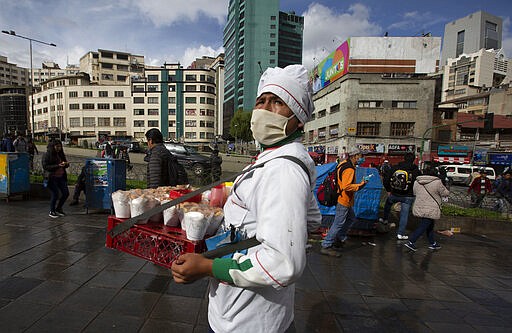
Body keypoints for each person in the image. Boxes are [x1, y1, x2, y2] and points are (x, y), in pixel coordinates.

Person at [171, 65, 321, 333]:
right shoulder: (273, 158)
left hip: (249, 321)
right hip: (239, 310)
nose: (265, 109)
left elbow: (283, 262)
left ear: (298, 118)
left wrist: (207, 267)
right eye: (261, 101)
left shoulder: (283, 170)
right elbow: (310, 219)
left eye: (278, 102)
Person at [320, 147, 368, 257]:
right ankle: (326, 244)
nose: (362, 158)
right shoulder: (349, 169)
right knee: (338, 223)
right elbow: (347, 186)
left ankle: (339, 237)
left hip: (341, 197)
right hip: (344, 199)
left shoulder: (343, 163)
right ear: (355, 156)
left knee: (351, 218)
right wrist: (361, 184)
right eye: (361, 156)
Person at [404, 165, 449, 251]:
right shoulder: (437, 182)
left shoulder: (417, 181)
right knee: (424, 225)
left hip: (420, 205)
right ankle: (411, 241)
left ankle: (432, 243)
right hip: (431, 207)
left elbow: (414, 192)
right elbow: (445, 193)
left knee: (429, 225)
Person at [380, 152, 421, 240]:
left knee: (388, 203)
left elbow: (386, 179)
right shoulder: (416, 170)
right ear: (413, 160)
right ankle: (400, 233)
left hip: (394, 193)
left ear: (404, 158)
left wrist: (388, 190)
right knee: (404, 215)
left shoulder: (396, 167)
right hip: (408, 196)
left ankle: (385, 219)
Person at [42, 139, 70, 218]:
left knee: (66, 193)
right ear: (52, 147)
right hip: (51, 177)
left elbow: (64, 163)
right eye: (57, 146)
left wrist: (66, 164)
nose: (59, 148)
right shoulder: (47, 155)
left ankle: (59, 208)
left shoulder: (60, 154)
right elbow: (45, 166)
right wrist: (58, 165)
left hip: (61, 176)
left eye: (60, 146)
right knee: (55, 194)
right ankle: (52, 211)